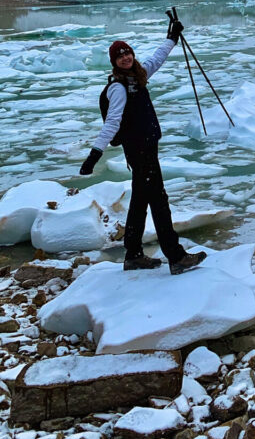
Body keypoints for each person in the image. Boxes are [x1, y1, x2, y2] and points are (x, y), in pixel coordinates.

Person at [78, 17, 206, 274]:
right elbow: (112, 122)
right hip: (139, 151)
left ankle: (133, 254)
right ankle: (176, 256)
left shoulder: (138, 76)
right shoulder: (118, 88)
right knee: (159, 201)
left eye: (128, 54)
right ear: (114, 61)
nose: (125, 58)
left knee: (139, 200)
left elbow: (156, 59)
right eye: (120, 56)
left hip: (146, 148)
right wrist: (95, 154)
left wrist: (171, 38)